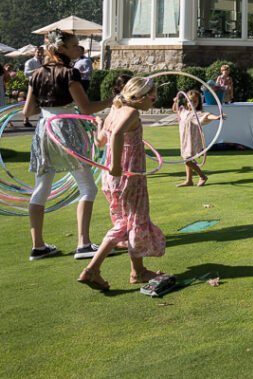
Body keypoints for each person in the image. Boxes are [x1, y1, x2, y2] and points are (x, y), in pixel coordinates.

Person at [22, 31, 112, 261]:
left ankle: (38, 246)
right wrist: (115, 100)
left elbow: (27, 112)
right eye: (74, 46)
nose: (78, 49)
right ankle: (83, 244)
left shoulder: (36, 73)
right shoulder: (69, 72)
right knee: (87, 187)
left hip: (44, 129)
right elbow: (87, 109)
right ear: (61, 49)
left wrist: (48, 106)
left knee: (42, 186)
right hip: (67, 128)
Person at [77, 77, 166, 290]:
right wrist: (117, 165)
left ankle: (135, 271)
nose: (153, 102)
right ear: (139, 97)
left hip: (111, 179)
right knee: (133, 221)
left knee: (125, 223)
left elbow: (100, 141)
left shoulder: (114, 111)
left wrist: (100, 124)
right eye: (152, 98)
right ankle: (94, 269)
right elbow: (116, 134)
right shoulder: (132, 112)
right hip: (128, 177)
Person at [174, 90, 224, 187]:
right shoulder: (183, 110)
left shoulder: (198, 113)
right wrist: (175, 101)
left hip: (192, 140)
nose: (192, 104)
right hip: (184, 139)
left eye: (195, 101)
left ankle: (202, 176)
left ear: (198, 102)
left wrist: (217, 117)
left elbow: (208, 115)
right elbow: (175, 109)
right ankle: (189, 180)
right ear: (186, 101)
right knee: (187, 159)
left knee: (187, 160)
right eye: (190, 101)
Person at [22, 46, 44, 127]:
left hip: (44, 84)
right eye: (38, 52)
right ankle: (26, 120)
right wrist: (36, 71)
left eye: (41, 52)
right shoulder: (30, 62)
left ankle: (42, 119)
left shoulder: (45, 61)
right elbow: (26, 73)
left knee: (43, 102)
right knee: (30, 101)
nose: (39, 53)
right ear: (34, 52)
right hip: (34, 84)